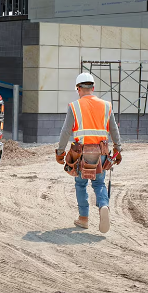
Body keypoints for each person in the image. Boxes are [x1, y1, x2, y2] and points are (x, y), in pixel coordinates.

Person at [55, 73, 122, 233]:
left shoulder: (74, 106)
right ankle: (103, 206)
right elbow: (114, 129)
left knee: (80, 184)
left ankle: (83, 219)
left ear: (78, 89)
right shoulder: (106, 105)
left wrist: (60, 152)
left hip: (81, 153)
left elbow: (65, 131)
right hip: (102, 152)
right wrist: (118, 149)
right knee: (99, 183)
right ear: (93, 88)